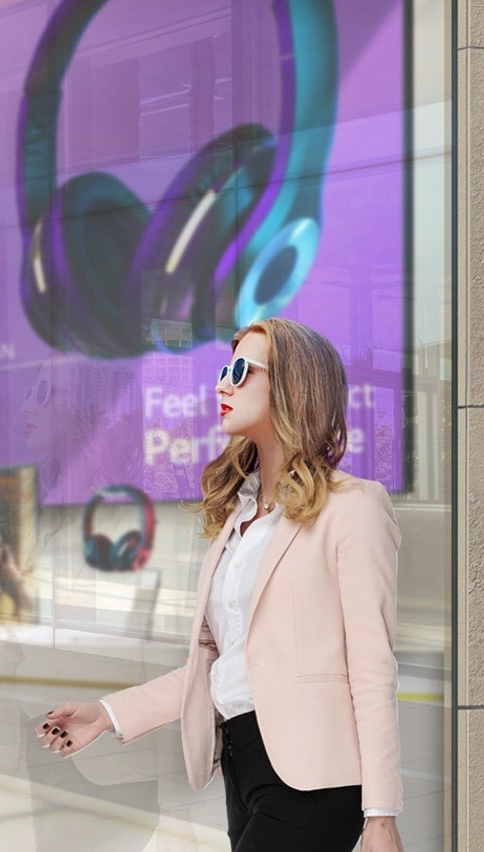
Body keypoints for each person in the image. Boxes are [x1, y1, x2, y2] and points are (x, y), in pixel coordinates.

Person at [34, 318, 404, 852]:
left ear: (293, 386)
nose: (221, 385)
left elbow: (372, 665)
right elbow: (215, 667)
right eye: (222, 371)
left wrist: (382, 815)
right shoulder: (239, 518)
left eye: (239, 371)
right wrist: (108, 714)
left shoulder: (354, 507)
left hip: (317, 780)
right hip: (244, 767)